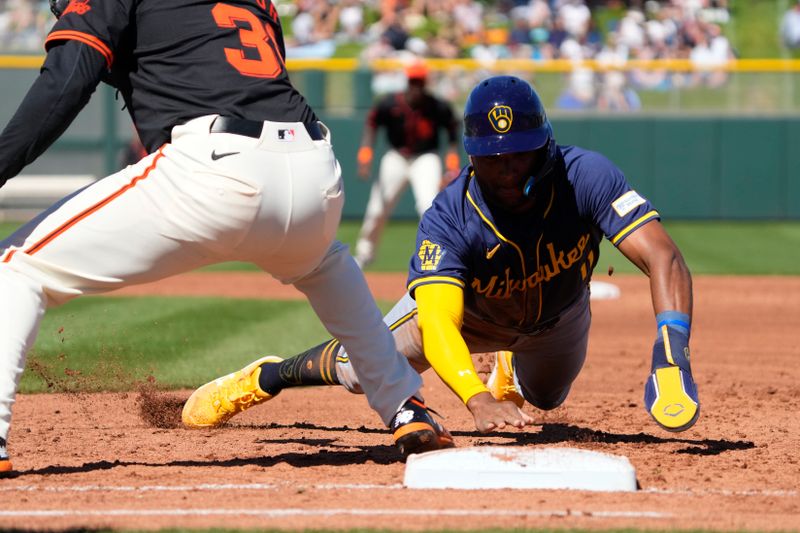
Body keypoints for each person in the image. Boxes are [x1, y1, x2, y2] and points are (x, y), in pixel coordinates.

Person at [0, 0, 454, 473]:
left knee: (16, 266)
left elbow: (65, 81)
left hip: (216, 164)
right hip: (315, 168)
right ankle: (405, 405)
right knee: (324, 263)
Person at [182, 75, 700, 442]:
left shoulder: (584, 176)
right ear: (472, 155)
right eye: (494, 156)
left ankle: (510, 374)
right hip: (467, 320)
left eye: (520, 151)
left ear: (544, 145)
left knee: (547, 399)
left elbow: (663, 256)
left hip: (557, 319)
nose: (507, 167)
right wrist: (475, 397)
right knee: (362, 368)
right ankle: (266, 377)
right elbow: (437, 323)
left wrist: (671, 347)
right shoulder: (449, 217)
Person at [353, 61, 460, 269]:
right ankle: (364, 254)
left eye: (420, 82)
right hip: (396, 157)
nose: (416, 86)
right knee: (377, 209)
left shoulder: (437, 106)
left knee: (428, 207)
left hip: (426, 157)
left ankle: (437, 256)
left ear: (425, 83)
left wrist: (452, 164)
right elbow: (371, 125)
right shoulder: (390, 103)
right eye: (413, 81)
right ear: (407, 82)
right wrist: (365, 156)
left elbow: (453, 133)